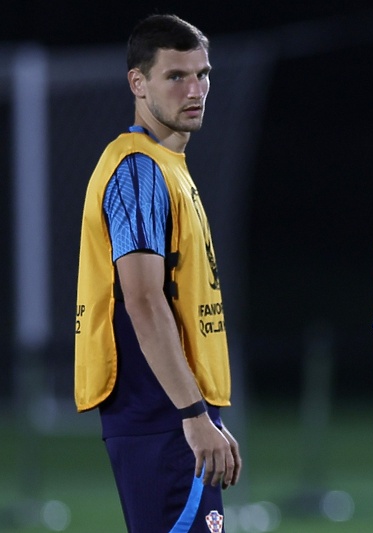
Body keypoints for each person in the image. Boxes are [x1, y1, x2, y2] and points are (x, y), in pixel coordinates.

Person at [75, 14, 242, 532]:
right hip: (162, 414)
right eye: (176, 76)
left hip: (174, 414)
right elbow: (143, 300)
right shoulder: (139, 169)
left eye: (203, 74)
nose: (196, 89)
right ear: (137, 82)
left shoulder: (166, 167)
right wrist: (193, 415)